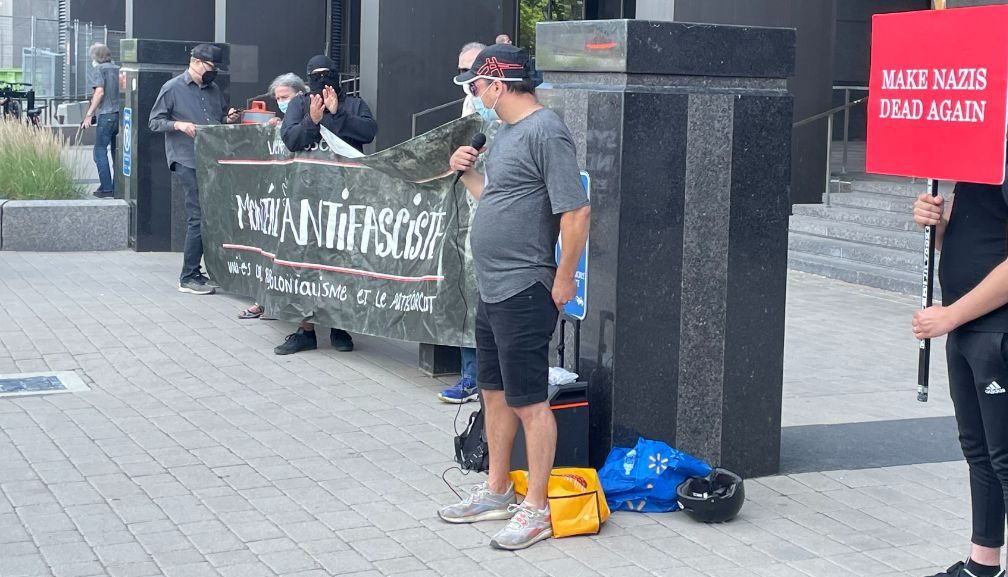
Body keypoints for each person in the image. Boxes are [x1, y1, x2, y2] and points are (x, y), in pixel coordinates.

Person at [437, 44, 590, 550]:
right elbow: (498, 197)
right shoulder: (504, 135)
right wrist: (467, 174)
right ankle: (497, 490)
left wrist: (563, 278)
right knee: (495, 391)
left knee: (529, 401)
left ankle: (537, 509)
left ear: (498, 84)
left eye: (476, 88)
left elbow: (576, 212)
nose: (474, 97)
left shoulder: (547, 130)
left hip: (527, 286)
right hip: (495, 285)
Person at [913, 172, 1008, 577]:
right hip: (965, 329)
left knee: (1004, 459)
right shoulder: (978, 154)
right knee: (980, 453)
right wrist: (937, 225)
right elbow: (972, 238)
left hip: (996, 331)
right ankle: (983, 564)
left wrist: (951, 315)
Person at [272, 55, 378, 354]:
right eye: (316, 78)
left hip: (344, 197)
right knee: (304, 262)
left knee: (340, 262)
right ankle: (305, 330)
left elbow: (368, 133)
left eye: (328, 77)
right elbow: (292, 139)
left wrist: (334, 114)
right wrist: (313, 120)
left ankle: (339, 326)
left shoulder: (355, 104)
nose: (323, 83)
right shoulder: (299, 104)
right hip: (306, 197)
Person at [149, 44, 238, 296]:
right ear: (196, 63)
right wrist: (179, 125)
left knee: (210, 215)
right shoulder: (172, 88)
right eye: (211, 67)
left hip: (212, 158)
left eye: (217, 69)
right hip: (186, 158)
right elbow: (154, 122)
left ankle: (199, 272)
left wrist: (229, 118)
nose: (214, 73)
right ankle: (188, 275)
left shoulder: (213, 89)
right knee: (197, 215)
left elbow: (218, 118)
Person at [438, 41, 494, 405]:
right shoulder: (469, 101)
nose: (466, 81)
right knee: (468, 289)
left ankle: (486, 378)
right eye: (461, 71)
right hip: (474, 206)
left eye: (471, 72)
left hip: (499, 210)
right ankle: (470, 375)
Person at [238, 73, 308, 320]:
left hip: (302, 200)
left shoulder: (310, 119)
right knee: (269, 249)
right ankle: (263, 300)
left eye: (285, 97)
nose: (280, 102)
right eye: (277, 98)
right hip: (278, 197)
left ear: (301, 94)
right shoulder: (280, 122)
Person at [80, 43, 120, 199]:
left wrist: (89, 114)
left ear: (95, 57)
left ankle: (106, 187)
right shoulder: (118, 69)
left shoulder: (99, 70)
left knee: (99, 151)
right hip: (120, 115)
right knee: (117, 151)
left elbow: (99, 92)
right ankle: (117, 185)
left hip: (106, 114)